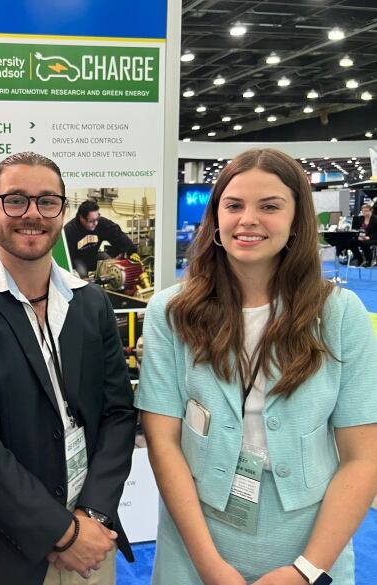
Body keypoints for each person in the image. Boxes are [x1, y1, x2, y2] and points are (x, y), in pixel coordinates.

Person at [135, 148, 377, 585]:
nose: (248, 220)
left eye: (269, 206)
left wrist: (305, 571)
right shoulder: (170, 312)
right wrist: (209, 567)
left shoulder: (341, 315)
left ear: (297, 220)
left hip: (310, 544)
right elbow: (163, 444)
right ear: (216, 219)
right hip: (196, 542)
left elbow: (363, 457)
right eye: (234, 205)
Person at [0, 152, 137, 585]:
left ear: (61, 212)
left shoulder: (91, 303)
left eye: (47, 201)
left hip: (93, 538)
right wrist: (62, 533)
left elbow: (118, 413)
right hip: (14, 549)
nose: (32, 214)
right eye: (16, 200)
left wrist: (91, 515)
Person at [64, 200, 137, 277]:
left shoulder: (102, 223)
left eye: (97, 219)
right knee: (83, 276)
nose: (96, 223)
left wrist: (132, 251)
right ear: (81, 218)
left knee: (110, 265)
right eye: (91, 221)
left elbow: (118, 235)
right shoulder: (69, 230)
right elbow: (66, 257)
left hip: (94, 255)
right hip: (77, 259)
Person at [351, 202, 377, 267]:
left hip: (373, 238)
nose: (364, 212)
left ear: (371, 210)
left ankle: (369, 260)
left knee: (364, 242)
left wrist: (369, 237)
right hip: (362, 237)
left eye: (366, 211)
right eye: (363, 211)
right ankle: (358, 258)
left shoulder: (375, 219)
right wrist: (358, 236)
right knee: (351, 242)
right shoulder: (360, 218)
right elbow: (356, 229)